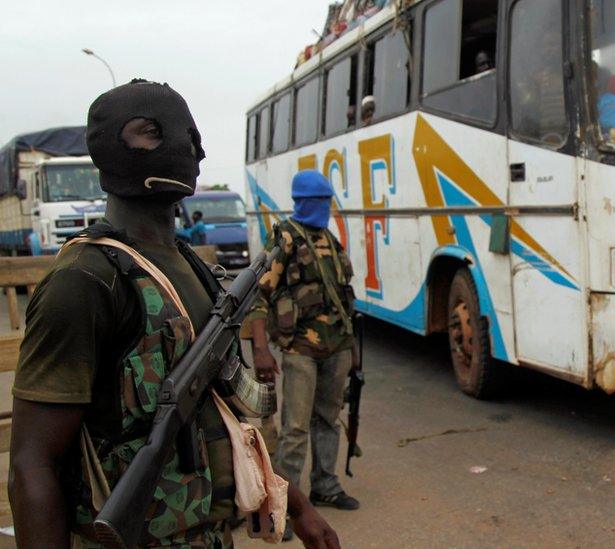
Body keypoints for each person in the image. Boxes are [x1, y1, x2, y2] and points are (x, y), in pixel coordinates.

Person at [8, 79, 340, 549]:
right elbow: (31, 463)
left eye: (187, 135)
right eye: (146, 133)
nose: (181, 148)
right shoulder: (85, 280)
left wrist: (299, 506)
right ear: (108, 149)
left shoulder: (192, 267)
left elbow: (229, 414)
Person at [248, 170, 360, 523]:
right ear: (305, 202)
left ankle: (325, 485)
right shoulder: (285, 238)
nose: (325, 207)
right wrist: (261, 349)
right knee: (295, 428)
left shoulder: (328, 238)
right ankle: (288, 504)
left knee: (328, 417)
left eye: (327, 201)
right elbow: (259, 293)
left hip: (337, 345)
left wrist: (353, 349)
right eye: (320, 201)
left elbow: (343, 296)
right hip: (300, 348)